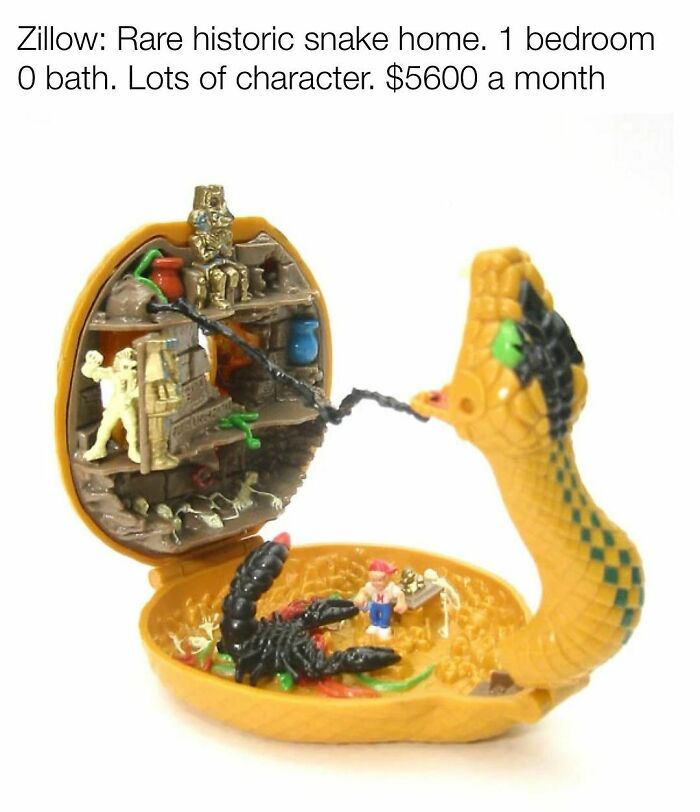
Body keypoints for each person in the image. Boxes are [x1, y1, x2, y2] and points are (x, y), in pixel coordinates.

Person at [354, 559, 407, 640]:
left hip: (385, 606)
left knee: (385, 617)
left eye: (380, 580)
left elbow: (400, 594)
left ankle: (384, 627)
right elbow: (364, 590)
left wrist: (401, 603)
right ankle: (374, 625)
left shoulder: (390, 587)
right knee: (373, 614)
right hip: (375, 604)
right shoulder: (371, 586)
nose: (376, 583)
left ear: (387, 579)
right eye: (373, 580)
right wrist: (360, 596)